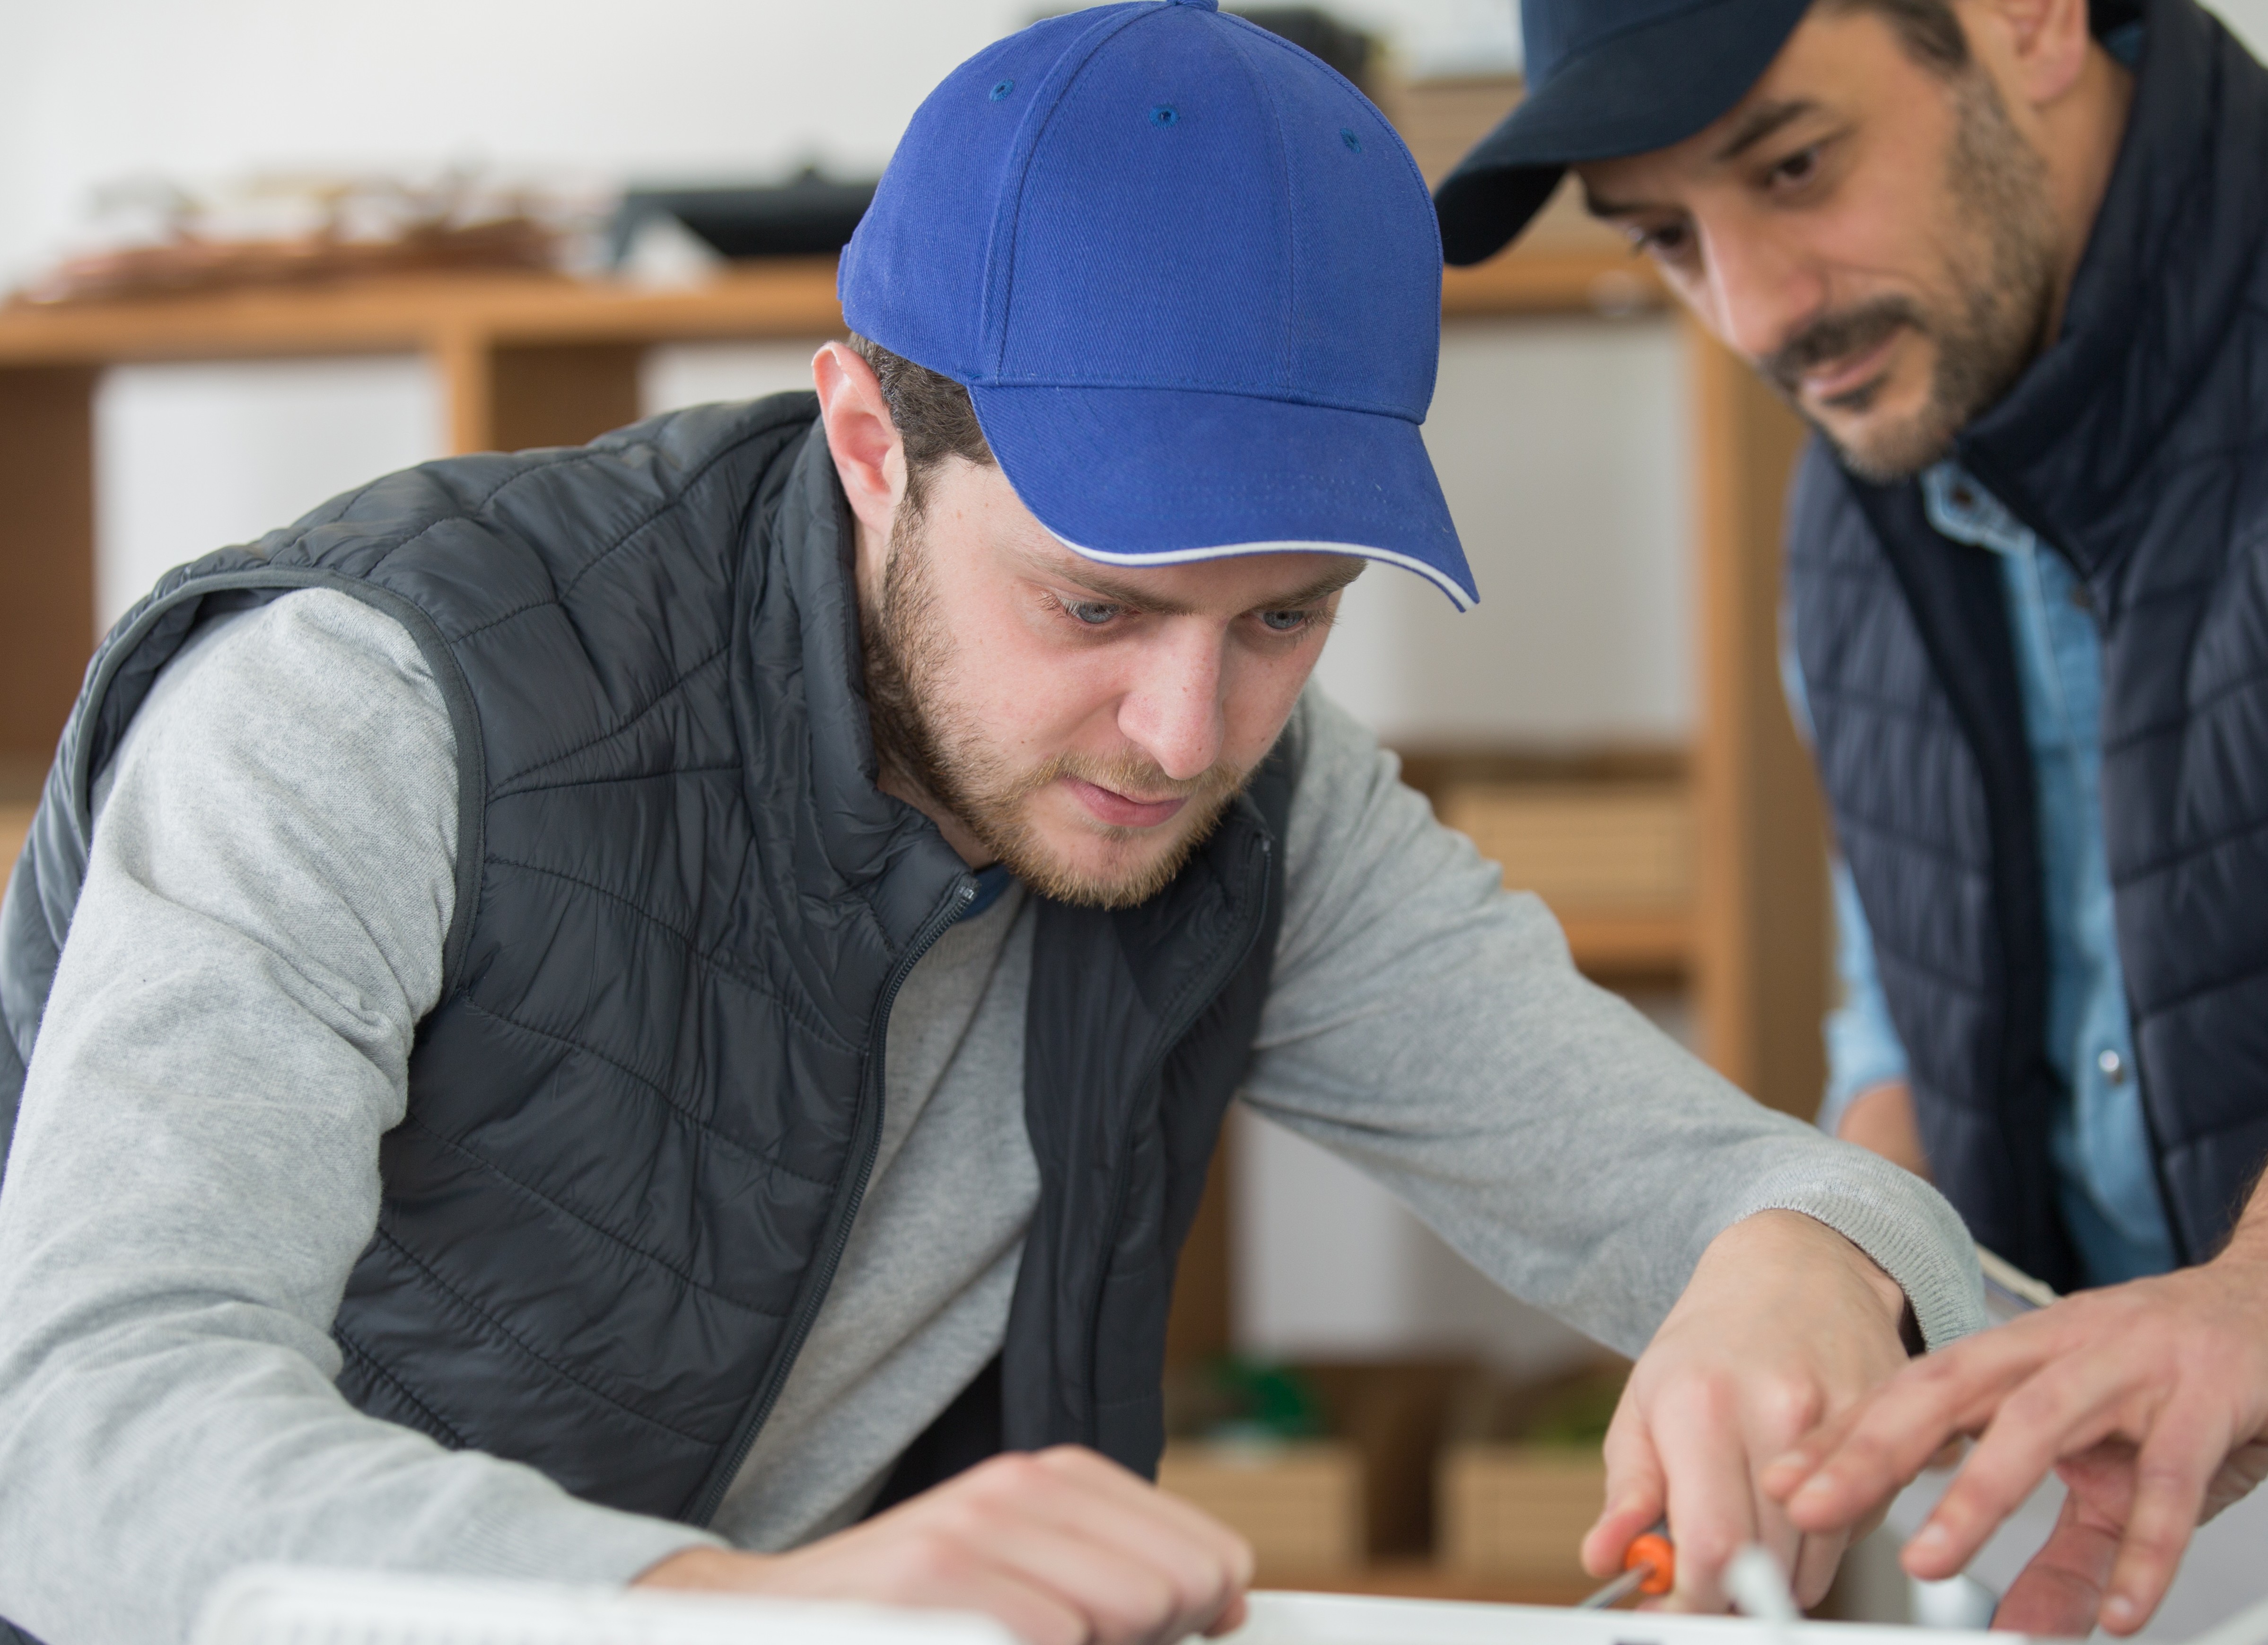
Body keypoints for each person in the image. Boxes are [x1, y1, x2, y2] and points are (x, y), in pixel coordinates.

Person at [0, 4, 1985, 1643]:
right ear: (869, 443)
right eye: (1092, 604)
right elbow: (80, 1447)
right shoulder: (359, 700)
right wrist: (726, 1608)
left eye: (1287, 616)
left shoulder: (1252, 794)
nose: (1182, 730)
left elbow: (1687, 1178)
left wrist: (1803, 1248)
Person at [1434, 0, 2268, 1633]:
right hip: (2114, 1523)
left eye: (1797, 166)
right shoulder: (1864, 478)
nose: (1751, 313)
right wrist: (1824, 1250)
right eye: (1667, 236)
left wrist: (2246, 1301)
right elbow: (1907, 1013)